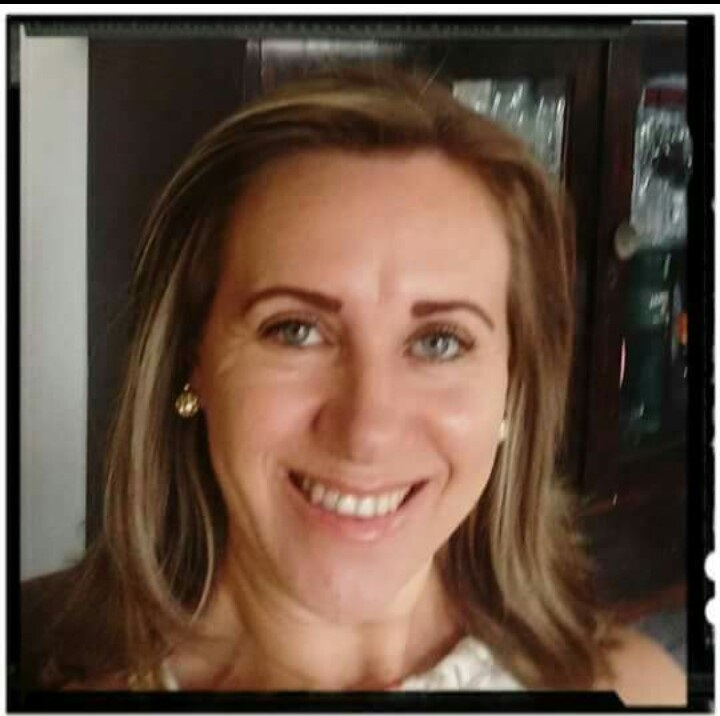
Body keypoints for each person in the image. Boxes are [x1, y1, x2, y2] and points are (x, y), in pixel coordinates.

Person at [21, 64, 685, 703]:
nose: (367, 431)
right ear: (191, 360)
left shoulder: (638, 691)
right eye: (295, 331)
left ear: (513, 388)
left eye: (439, 342)